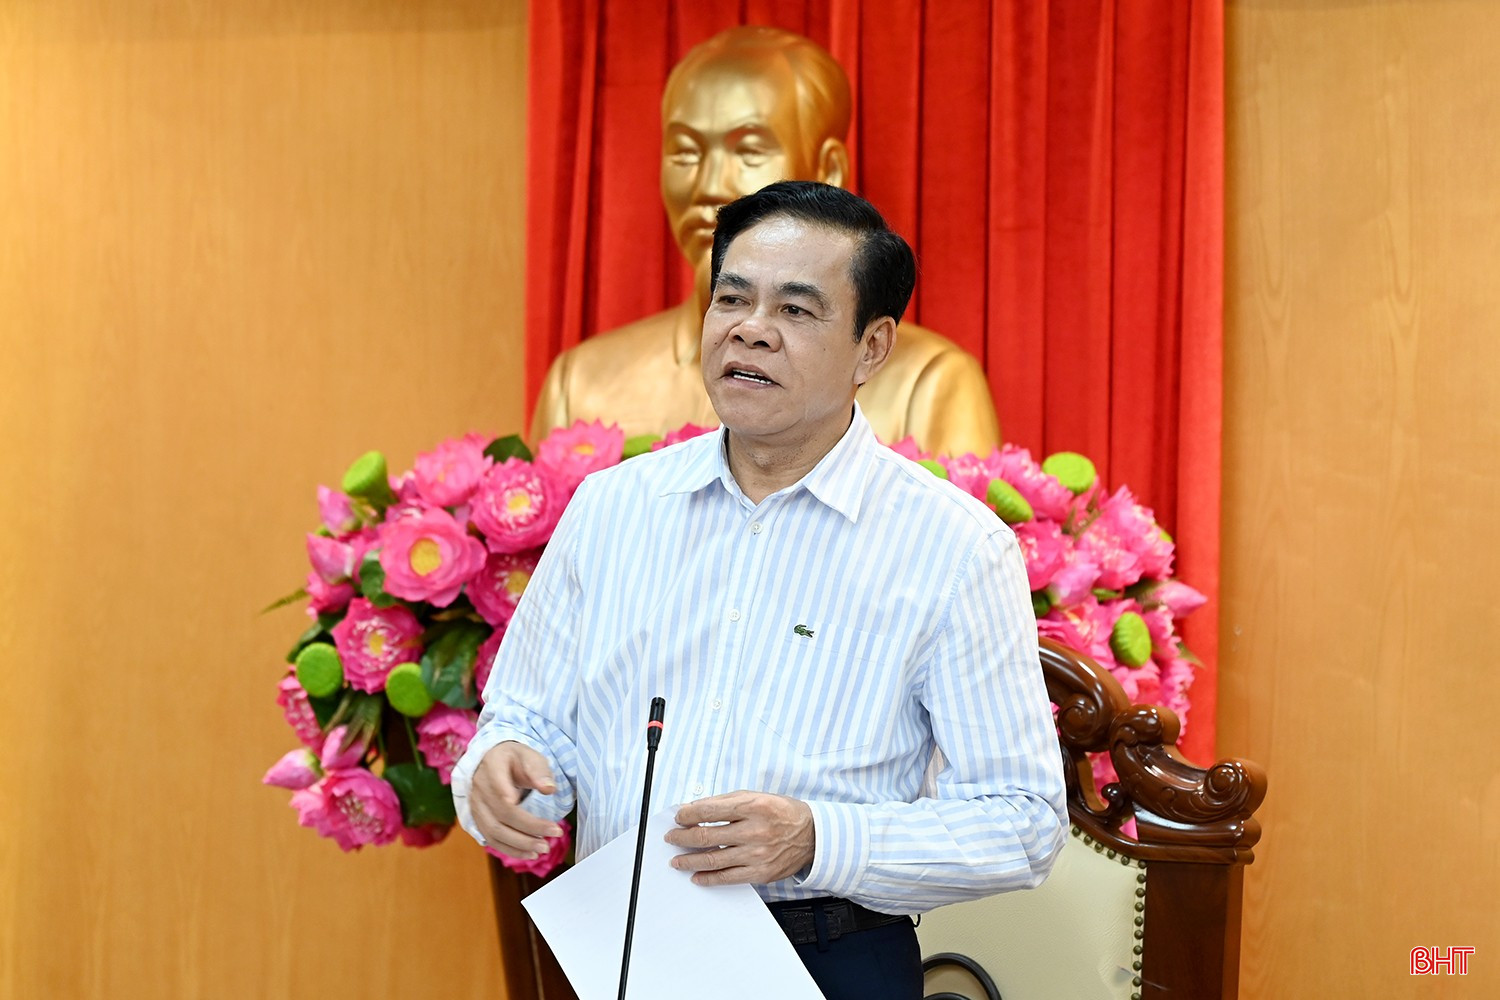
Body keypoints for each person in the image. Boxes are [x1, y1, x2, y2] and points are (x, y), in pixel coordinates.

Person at [454, 182, 1065, 1000]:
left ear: (872, 348)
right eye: (733, 299)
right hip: (628, 951)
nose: (750, 328)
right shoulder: (612, 508)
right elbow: (524, 721)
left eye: (795, 310)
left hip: (830, 959)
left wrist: (817, 839)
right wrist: (499, 770)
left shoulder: (952, 548)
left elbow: (1021, 821)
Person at [530, 25, 1001, 458]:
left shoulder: (929, 385)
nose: (709, 187)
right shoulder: (582, 383)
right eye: (686, 152)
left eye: (749, 150)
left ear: (828, 170)